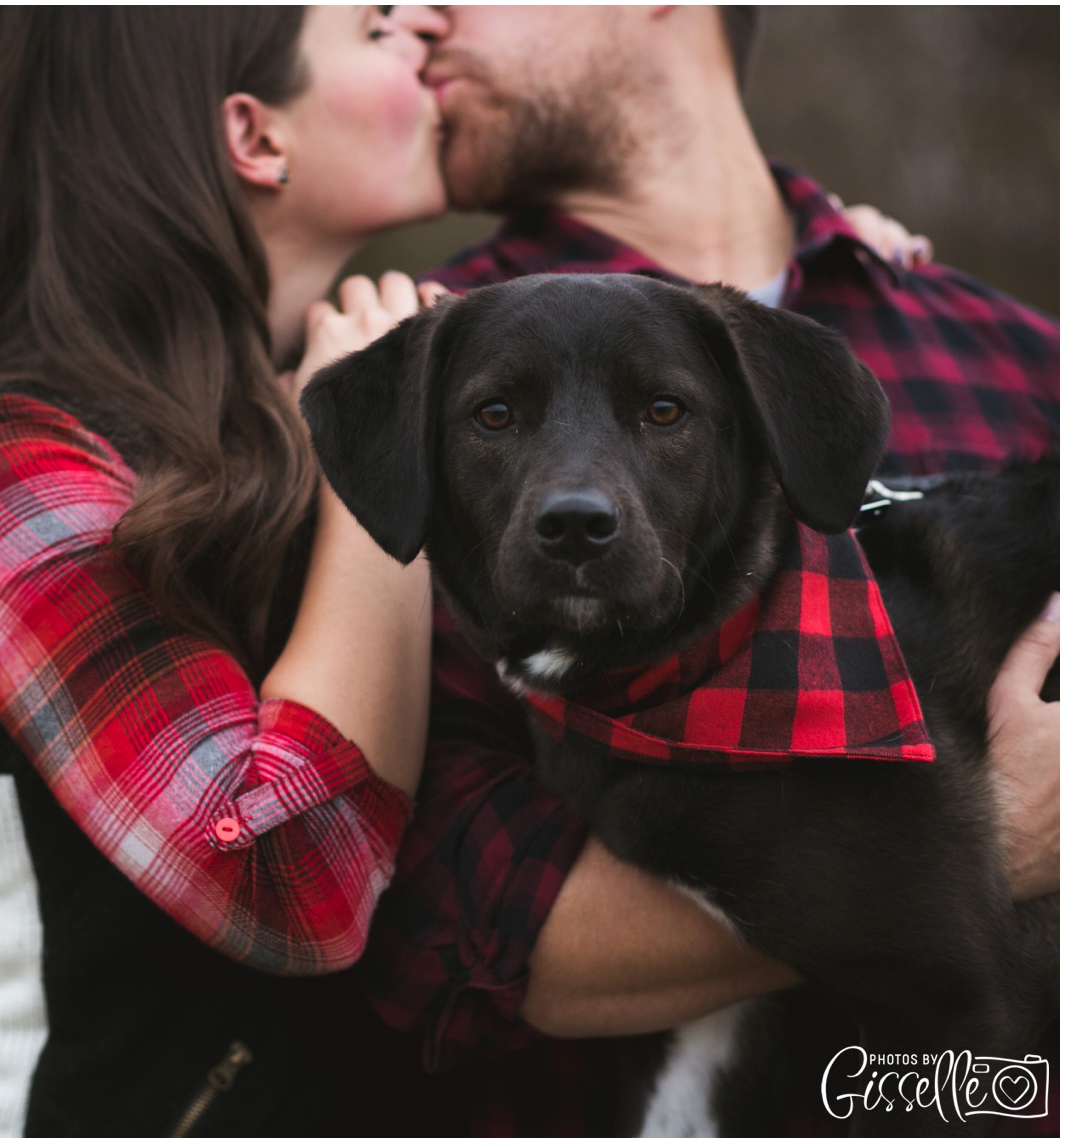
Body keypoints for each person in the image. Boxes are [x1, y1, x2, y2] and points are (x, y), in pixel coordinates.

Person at [353, 7, 1062, 1133]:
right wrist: (988, 836)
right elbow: (449, 932)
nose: (408, 18)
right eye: (504, 417)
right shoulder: (412, 362)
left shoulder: (1006, 346)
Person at [0, 9, 471, 1135]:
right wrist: (381, 454)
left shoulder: (294, 406)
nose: (427, 24)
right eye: (371, 26)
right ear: (254, 136)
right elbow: (286, 880)